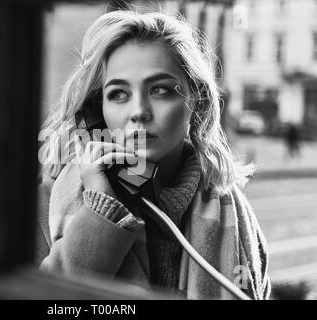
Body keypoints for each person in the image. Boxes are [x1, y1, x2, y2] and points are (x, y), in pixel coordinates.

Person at [36, 10, 271, 300]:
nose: (139, 112)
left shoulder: (235, 213)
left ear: (195, 102)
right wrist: (100, 210)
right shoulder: (47, 204)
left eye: (159, 90)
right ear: (95, 113)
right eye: (118, 94)